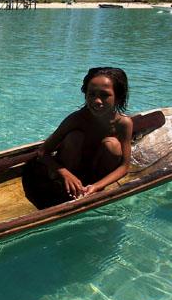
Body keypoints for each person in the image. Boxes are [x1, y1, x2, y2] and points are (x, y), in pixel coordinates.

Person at [34, 67, 132, 202]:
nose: (97, 101)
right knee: (75, 137)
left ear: (118, 96)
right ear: (85, 94)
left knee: (113, 145)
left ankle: (92, 187)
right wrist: (64, 173)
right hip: (71, 171)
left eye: (105, 95)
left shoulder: (123, 123)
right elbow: (42, 152)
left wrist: (97, 186)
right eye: (91, 94)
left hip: (97, 177)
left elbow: (124, 166)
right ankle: (63, 186)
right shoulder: (76, 119)